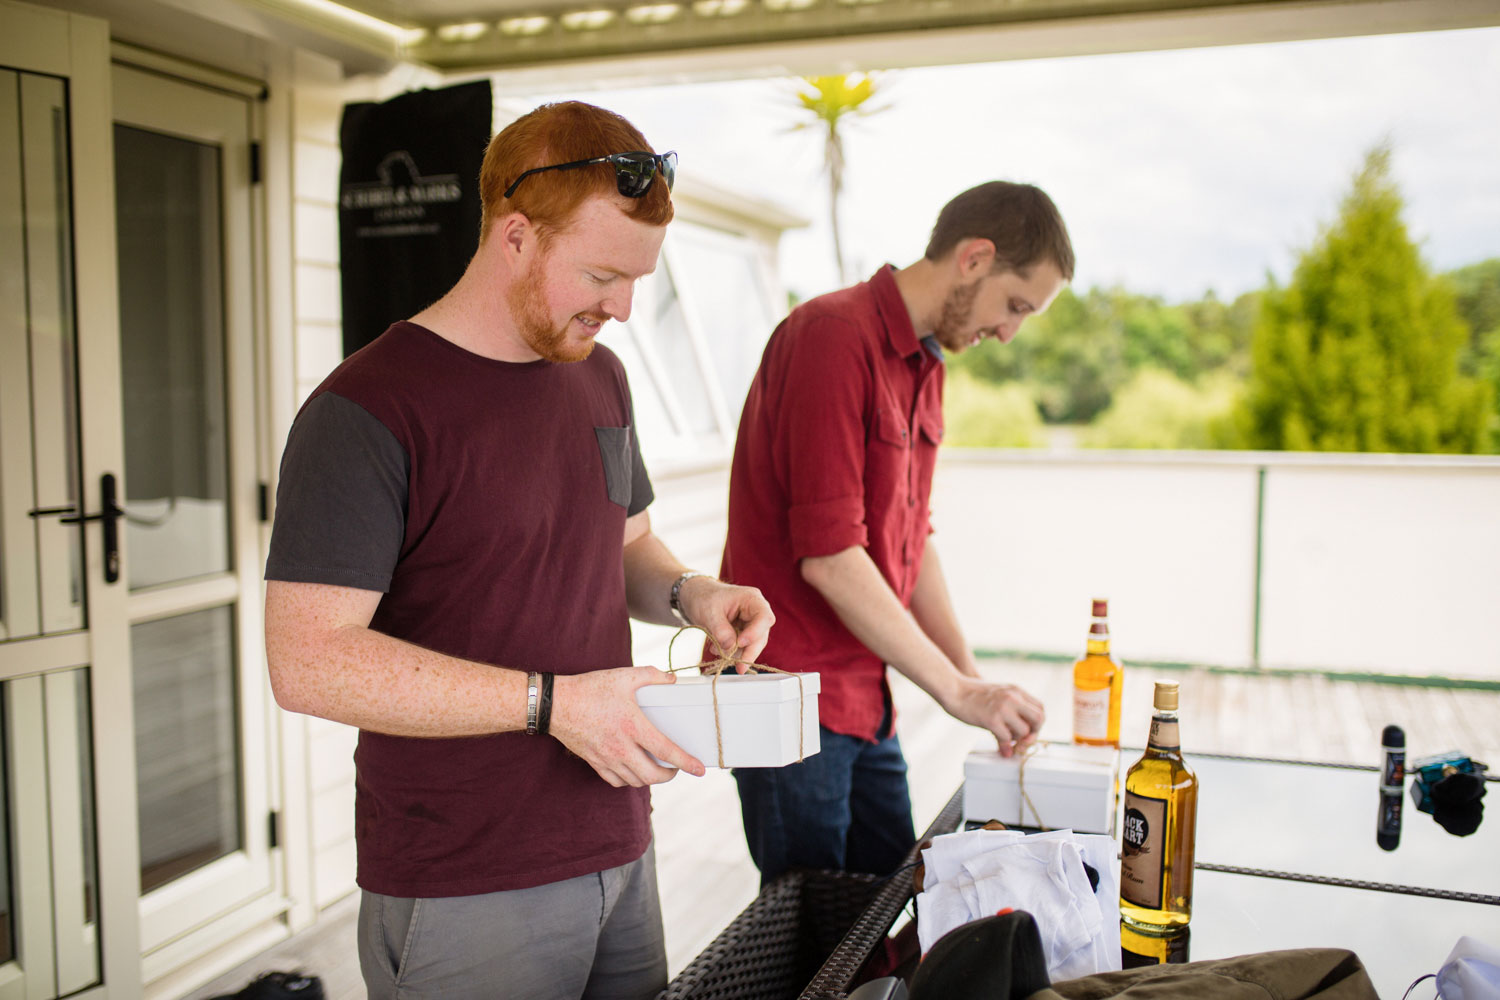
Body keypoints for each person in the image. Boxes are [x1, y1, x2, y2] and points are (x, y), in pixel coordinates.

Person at [262, 101, 773, 1000]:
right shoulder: (365, 411)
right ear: (515, 237)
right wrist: (554, 705)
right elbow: (307, 662)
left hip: (619, 837)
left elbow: (624, 546)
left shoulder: (601, 376)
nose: (620, 308)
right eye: (602, 274)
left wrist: (692, 592)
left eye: (637, 281)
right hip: (465, 876)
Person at [719, 181, 1074, 884]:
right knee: (812, 954)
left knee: (887, 916)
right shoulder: (830, 336)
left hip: (862, 701)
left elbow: (911, 546)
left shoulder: (927, 362)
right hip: (791, 700)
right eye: (1016, 306)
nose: (1009, 332)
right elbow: (831, 558)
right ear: (974, 258)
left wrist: (973, 682)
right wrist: (955, 692)